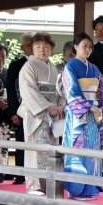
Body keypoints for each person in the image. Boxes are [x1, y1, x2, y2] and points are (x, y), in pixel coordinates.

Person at [61, 32, 103, 200]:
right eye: (84, 46)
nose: (87, 49)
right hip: (78, 116)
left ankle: (90, 188)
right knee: (78, 149)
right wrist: (91, 107)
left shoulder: (94, 68)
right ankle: (77, 189)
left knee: (92, 151)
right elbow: (72, 91)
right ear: (75, 47)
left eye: (90, 46)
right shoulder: (70, 66)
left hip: (94, 116)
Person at [17, 32, 65, 195]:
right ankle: (35, 185)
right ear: (31, 49)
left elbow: (60, 90)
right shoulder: (28, 67)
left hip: (52, 115)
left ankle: (49, 184)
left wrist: (59, 106)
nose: (42, 50)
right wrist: (47, 107)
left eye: (46, 46)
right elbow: (29, 91)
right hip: (37, 115)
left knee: (51, 150)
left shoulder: (53, 68)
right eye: (38, 47)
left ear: (51, 48)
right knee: (36, 149)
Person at [6, 32, 34, 185]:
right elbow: (11, 90)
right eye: (28, 45)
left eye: (33, 44)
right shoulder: (15, 65)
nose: (31, 47)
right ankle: (20, 175)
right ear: (23, 47)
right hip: (20, 111)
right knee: (21, 142)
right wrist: (13, 113)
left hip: (38, 112)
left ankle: (35, 175)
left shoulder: (43, 63)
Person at [0, 44, 9, 183]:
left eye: (2, 56)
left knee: (3, 146)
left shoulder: (8, 73)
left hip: (4, 117)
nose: (0, 59)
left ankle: (2, 174)